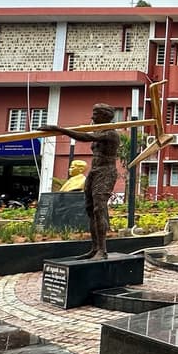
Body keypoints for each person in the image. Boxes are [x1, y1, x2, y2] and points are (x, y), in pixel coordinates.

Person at [42, 105, 121, 260]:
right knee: (90, 209)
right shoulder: (99, 131)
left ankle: (102, 250)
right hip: (94, 171)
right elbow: (88, 134)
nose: (92, 117)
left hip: (106, 172)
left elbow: (85, 137)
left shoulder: (111, 133)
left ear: (105, 116)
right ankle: (94, 248)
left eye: (96, 114)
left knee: (99, 208)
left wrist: (61, 130)